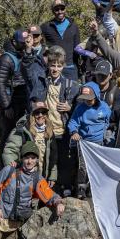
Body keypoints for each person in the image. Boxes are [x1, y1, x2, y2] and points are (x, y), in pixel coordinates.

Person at [25, 45, 79, 194]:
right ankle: (45, 189)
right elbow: (33, 98)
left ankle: (65, 187)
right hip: (46, 129)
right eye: (52, 65)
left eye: (58, 66)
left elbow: (78, 106)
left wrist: (70, 107)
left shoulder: (70, 85)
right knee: (48, 160)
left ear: (63, 67)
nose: (55, 69)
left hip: (62, 128)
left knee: (64, 160)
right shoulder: (42, 81)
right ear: (48, 65)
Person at [0, 141, 64, 239]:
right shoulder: (9, 170)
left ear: (37, 160)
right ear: (22, 158)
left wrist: (58, 203)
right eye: (26, 158)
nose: (29, 161)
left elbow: (50, 194)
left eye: (33, 158)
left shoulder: (37, 178)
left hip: (16, 225)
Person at [68, 82, 112, 199]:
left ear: (96, 96)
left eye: (90, 99)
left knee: (97, 166)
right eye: (85, 99)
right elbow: (73, 122)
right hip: (84, 143)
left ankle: (94, 189)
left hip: (99, 143)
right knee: (83, 166)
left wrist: (104, 134)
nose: (87, 101)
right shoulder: (80, 108)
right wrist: (74, 132)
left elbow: (107, 121)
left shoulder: (104, 107)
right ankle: (81, 189)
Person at [2, 101, 59, 187]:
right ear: (32, 114)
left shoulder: (50, 131)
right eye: (37, 113)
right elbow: (10, 150)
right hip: (24, 175)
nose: (40, 115)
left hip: (43, 176)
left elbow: (53, 156)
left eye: (43, 112)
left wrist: (52, 176)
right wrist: (11, 167)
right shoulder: (22, 129)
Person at [0, 30, 29, 154]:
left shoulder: (21, 55)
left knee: (20, 134)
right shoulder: (6, 59)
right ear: (14, 41)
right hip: (10, 104)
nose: (24, 45)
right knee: (8, 134)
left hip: (22, 101)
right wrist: (7, 106)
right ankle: (4, 165)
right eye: (22, 43)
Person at [40, 0, 81, 81]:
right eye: (57, 9)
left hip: (71, 68)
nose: (60, 11)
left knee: (72, 92)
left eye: (62, 9)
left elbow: (78, 47)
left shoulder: (73, 25)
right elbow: (38, 42)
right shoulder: (46, 27)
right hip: (54, 68)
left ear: (65, 9)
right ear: (52, 11)